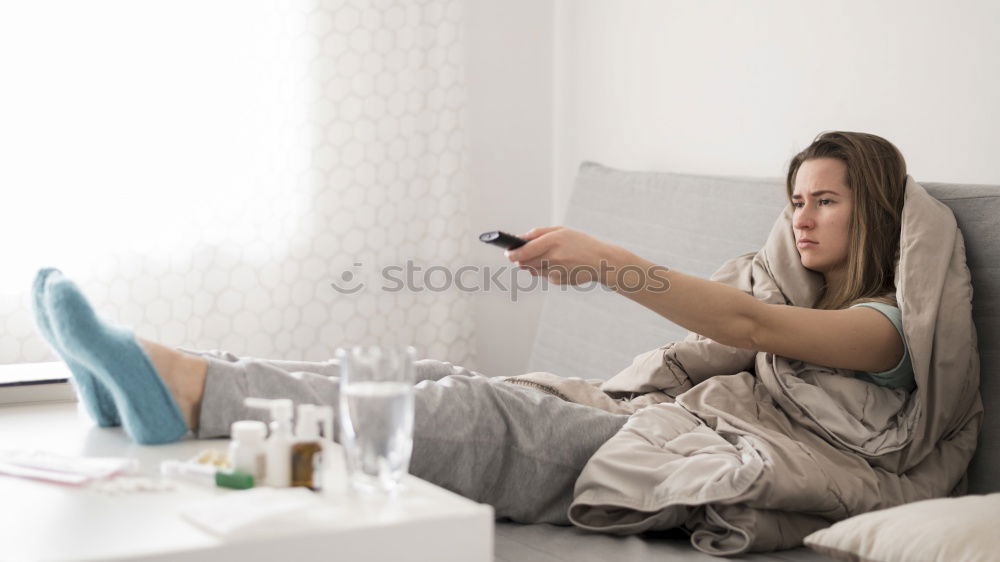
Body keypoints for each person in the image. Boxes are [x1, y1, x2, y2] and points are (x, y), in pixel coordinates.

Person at [32, 130, 913, 525]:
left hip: (699, 462)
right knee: (423, 377)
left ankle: (187, 392)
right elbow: (731, 334)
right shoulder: (792, 296)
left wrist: (603, 259)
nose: (802, 218)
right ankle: (173, 385)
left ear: (870, 208)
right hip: (663, 421)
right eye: (795, 200)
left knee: (486, 418)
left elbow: (742, 319)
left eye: (825, 201)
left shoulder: (883, 329)